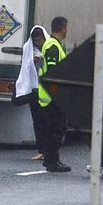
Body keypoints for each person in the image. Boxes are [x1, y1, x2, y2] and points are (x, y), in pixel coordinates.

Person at [37, 17, 71, 172]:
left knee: (55, 129)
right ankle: (52, 161)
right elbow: (52, 74)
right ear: (62, 28)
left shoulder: (54, 44)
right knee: (56, 130)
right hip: (52, 97)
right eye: (66, 27)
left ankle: (50, 160)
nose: (67, 30)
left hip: (50, 96)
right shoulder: (52, 47)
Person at [14, 26, 50, 161]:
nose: (38, 42)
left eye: (39, 39)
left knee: (48, 121)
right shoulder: (28, 48)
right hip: (34, 89)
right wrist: (33, 61)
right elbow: (26, 66)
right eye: (35, 40)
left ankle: (49, 150)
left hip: (47, 91)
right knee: (38, 121)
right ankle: (41, 150)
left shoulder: (49, 48)